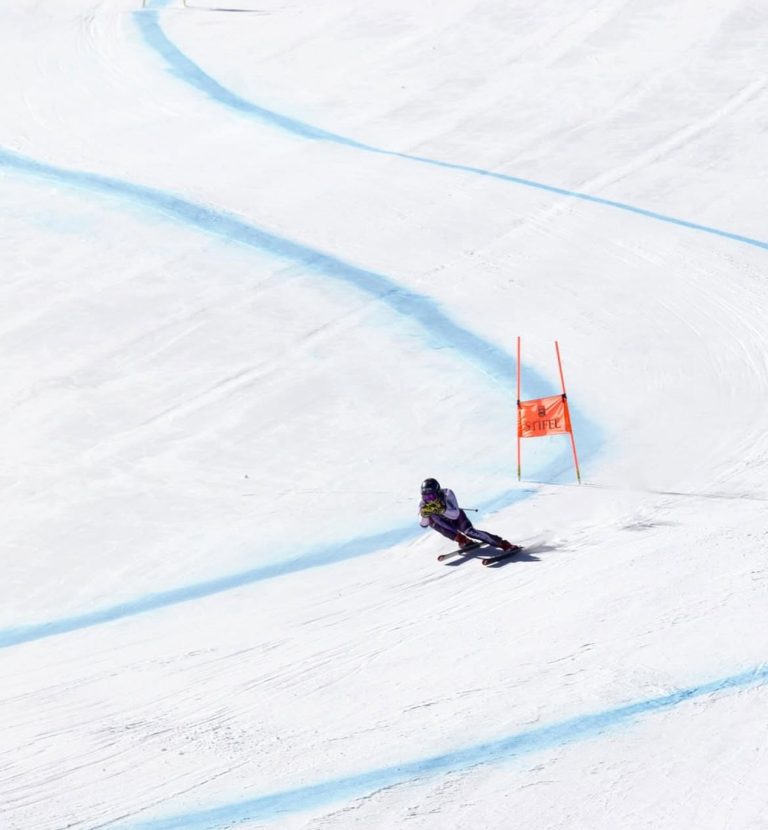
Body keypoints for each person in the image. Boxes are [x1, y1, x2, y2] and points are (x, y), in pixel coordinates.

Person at [418, 478, 516, 551]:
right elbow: (423, 525)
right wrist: (424, 515)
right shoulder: (422, 503)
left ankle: (502, 543)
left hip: (457, 518)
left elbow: (455, 514)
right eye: (426, 497)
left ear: (438, 492)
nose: (430, 500)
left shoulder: (447, 493)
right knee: (431, 518)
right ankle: (462, 539)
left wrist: (442, 510)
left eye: (432, 496)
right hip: (444, 523)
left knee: (470, 532)